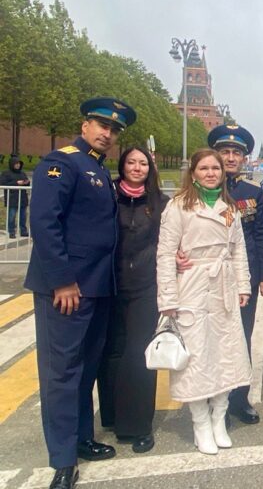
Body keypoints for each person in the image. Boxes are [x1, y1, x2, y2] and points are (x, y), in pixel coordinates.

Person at [25, 97, 136, 489]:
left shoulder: (96, 168)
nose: (108, 133)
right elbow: (44, 222)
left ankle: (82, 438)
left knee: (86, 369)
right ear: (85, 125)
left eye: (115, 130)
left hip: (96, 286)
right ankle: (63, 459)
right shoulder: (62, 162)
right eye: (102, 125)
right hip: (67, 289)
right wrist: (62, 280)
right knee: (62, 373)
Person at [156, 149, 252, 456]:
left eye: (215, 168)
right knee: (197, 359)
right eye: (204, 168)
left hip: (224, 286)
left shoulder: (229, 208)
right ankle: (200, 424)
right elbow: (165, 254)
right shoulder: (178, 206)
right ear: (193, 173)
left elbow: (238, 249)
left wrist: (243, 285)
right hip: (192, 287)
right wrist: (168, 298)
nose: (211, 173)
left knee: (227, 354)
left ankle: (218, 418)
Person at [96, 147, 168, 454]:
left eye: (143, 163)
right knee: (110, 351)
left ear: (150, 168)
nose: (137, 168)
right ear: (122, 165)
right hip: (109, 283)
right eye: (131, 162)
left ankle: (138, 425)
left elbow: (170, 239)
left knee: (138, 353)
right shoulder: (107, 195)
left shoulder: (159, 202)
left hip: (145, 285)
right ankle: (112, 417)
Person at [207, 124, 263, 425]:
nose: (231, 157)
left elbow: (262, 235)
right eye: (225, 151)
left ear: (244, 158)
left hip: (245, 278)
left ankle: (239, 398)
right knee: (212, 339)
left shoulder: (253, 192)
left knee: (242, 336)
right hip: (209, 278)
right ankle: (213, 399)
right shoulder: (203, 189)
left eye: (236, 153)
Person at [1, 154, 30, 238]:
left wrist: (26, 183)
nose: (18, 165)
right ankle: (11, 232)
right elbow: (2, 183)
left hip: (22, 198)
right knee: (12, 216)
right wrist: (16, 183)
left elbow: (27, 183)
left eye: (19, 163)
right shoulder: (6, 173)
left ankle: (23, 231)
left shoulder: (22, 173)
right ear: (12, 164)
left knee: (23, 216)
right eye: (16, 163)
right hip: (12, 198)